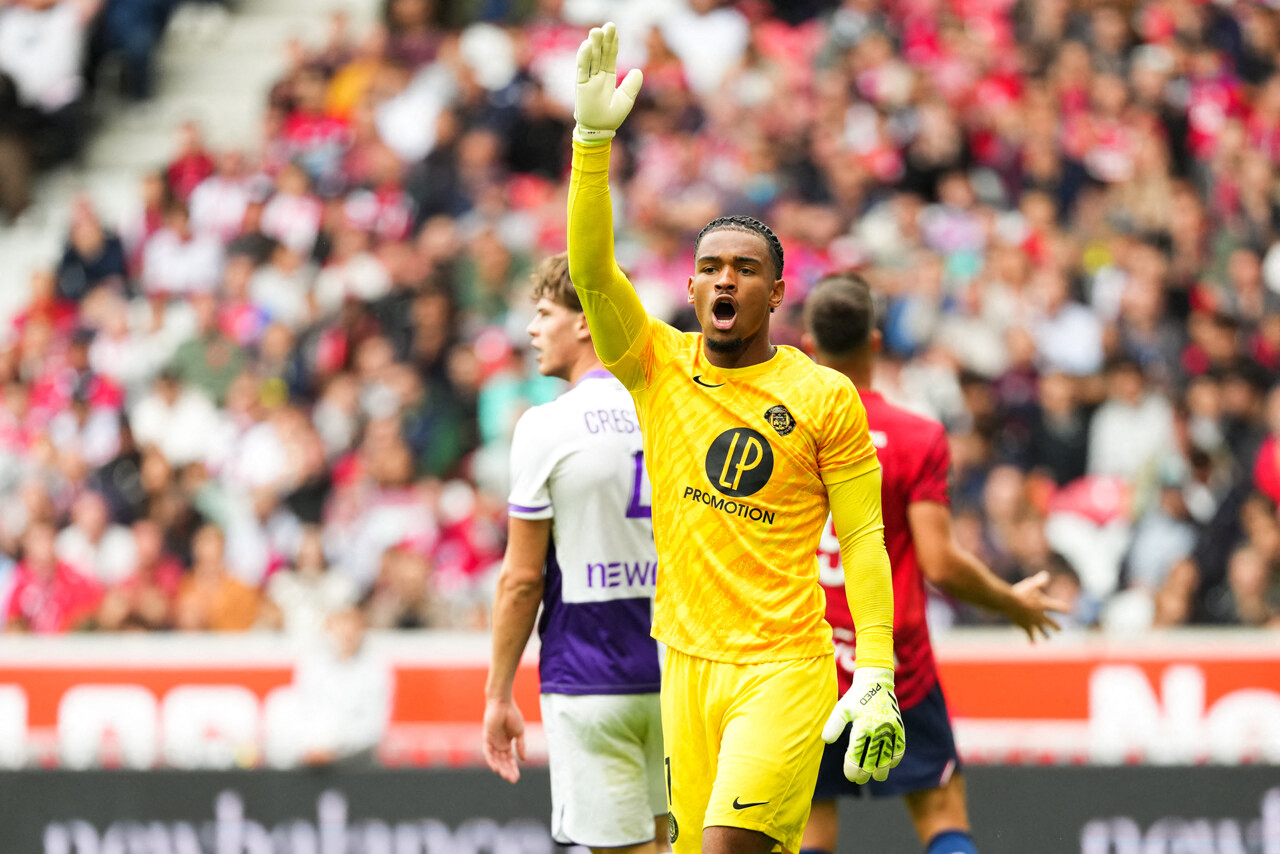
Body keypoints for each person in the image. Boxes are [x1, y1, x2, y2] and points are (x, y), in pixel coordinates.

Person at [566, 25, 903, 854]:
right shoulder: (657, 366)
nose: (725, 278)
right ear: (690, 285)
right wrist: (590, 144)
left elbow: (862, 537)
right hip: (685, 664)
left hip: (784, 667)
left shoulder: (823, 397)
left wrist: (880, 672)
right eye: (711, 266)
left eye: (745, 269)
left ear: (777, 291)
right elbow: (592, 276)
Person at [799, 272, 1067, 854]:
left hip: (809, 663)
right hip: (894, 665)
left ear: (810, 348)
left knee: (811, 831)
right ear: (874, 343)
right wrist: (1010, 601)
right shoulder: (916, 436)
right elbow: (940, 563)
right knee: (942, 817)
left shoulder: (788, 432)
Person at [483, 252, 669, 854]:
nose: (532, 330)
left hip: (590, 677)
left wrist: (497, 693)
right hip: (679, 672)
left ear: (586, 321)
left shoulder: (546, 425)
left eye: (543, 313)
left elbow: (520, 580)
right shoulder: (671, 410)